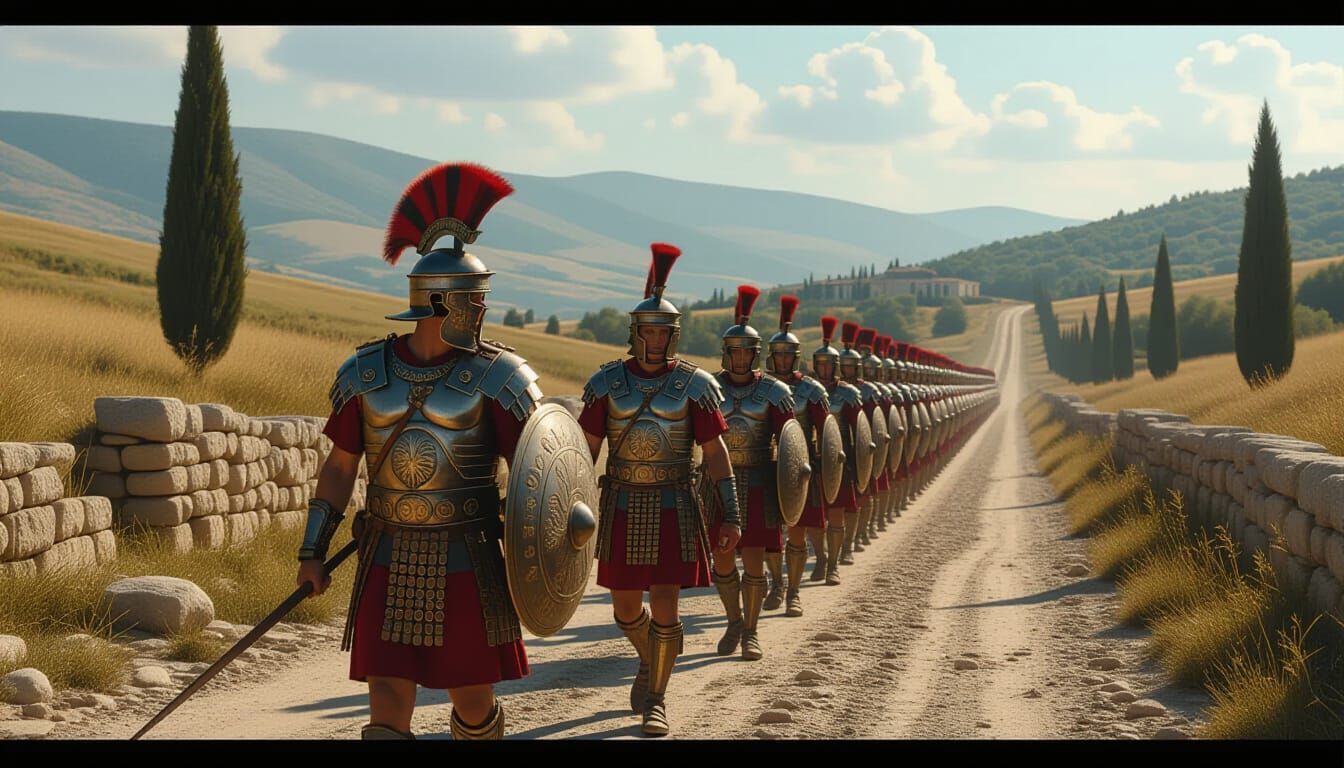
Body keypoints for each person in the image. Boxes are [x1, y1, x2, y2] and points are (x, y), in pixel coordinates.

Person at [298, 162, 541, 740]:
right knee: (386, 695)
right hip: (388, 548)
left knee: (472, 700)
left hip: (467, 553)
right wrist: (312, 549)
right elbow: (340, 467)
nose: (482, 312)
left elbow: (536, 474)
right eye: (474, 301)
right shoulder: (367, 372)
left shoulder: (498, 376)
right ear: (440, 303)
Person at [577, 243, 741, 737]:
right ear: (635, 333)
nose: (655, 339)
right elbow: (582, 452)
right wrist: (566, 506)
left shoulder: (694, 385)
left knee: (667, 601)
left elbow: (715, 452)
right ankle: (652, 655)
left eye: (663, 332)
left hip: (673, 501)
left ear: (674, 335)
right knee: (626, 609)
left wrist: (731, 513)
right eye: (648, 331)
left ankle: (656, 699)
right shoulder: (606, 383)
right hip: (623, 502)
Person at [708, 285, 797, 659]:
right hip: (717, 483)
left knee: (755, 560)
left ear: (756, 354)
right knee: (723, 560)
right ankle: (733, 619)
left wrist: (790, 488)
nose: (741, 358)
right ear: (727, 353)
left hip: (759, 481)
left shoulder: (774, 392)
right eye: (736, 351)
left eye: (747, 351)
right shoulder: (708, 389)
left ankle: (751, 631)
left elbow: (792, 446)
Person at [763, 295, 831, 616]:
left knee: (797, 532)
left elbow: (826, 432)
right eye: (778, 355)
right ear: (771, 357)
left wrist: (820, 465)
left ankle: (793, 592)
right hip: (766, 466)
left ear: (796, 357)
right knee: (769, 535)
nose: (782, 360)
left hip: (798, 466)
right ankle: (776, 584)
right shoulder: (760, 388)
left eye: (788, 355)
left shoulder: (811, 390)